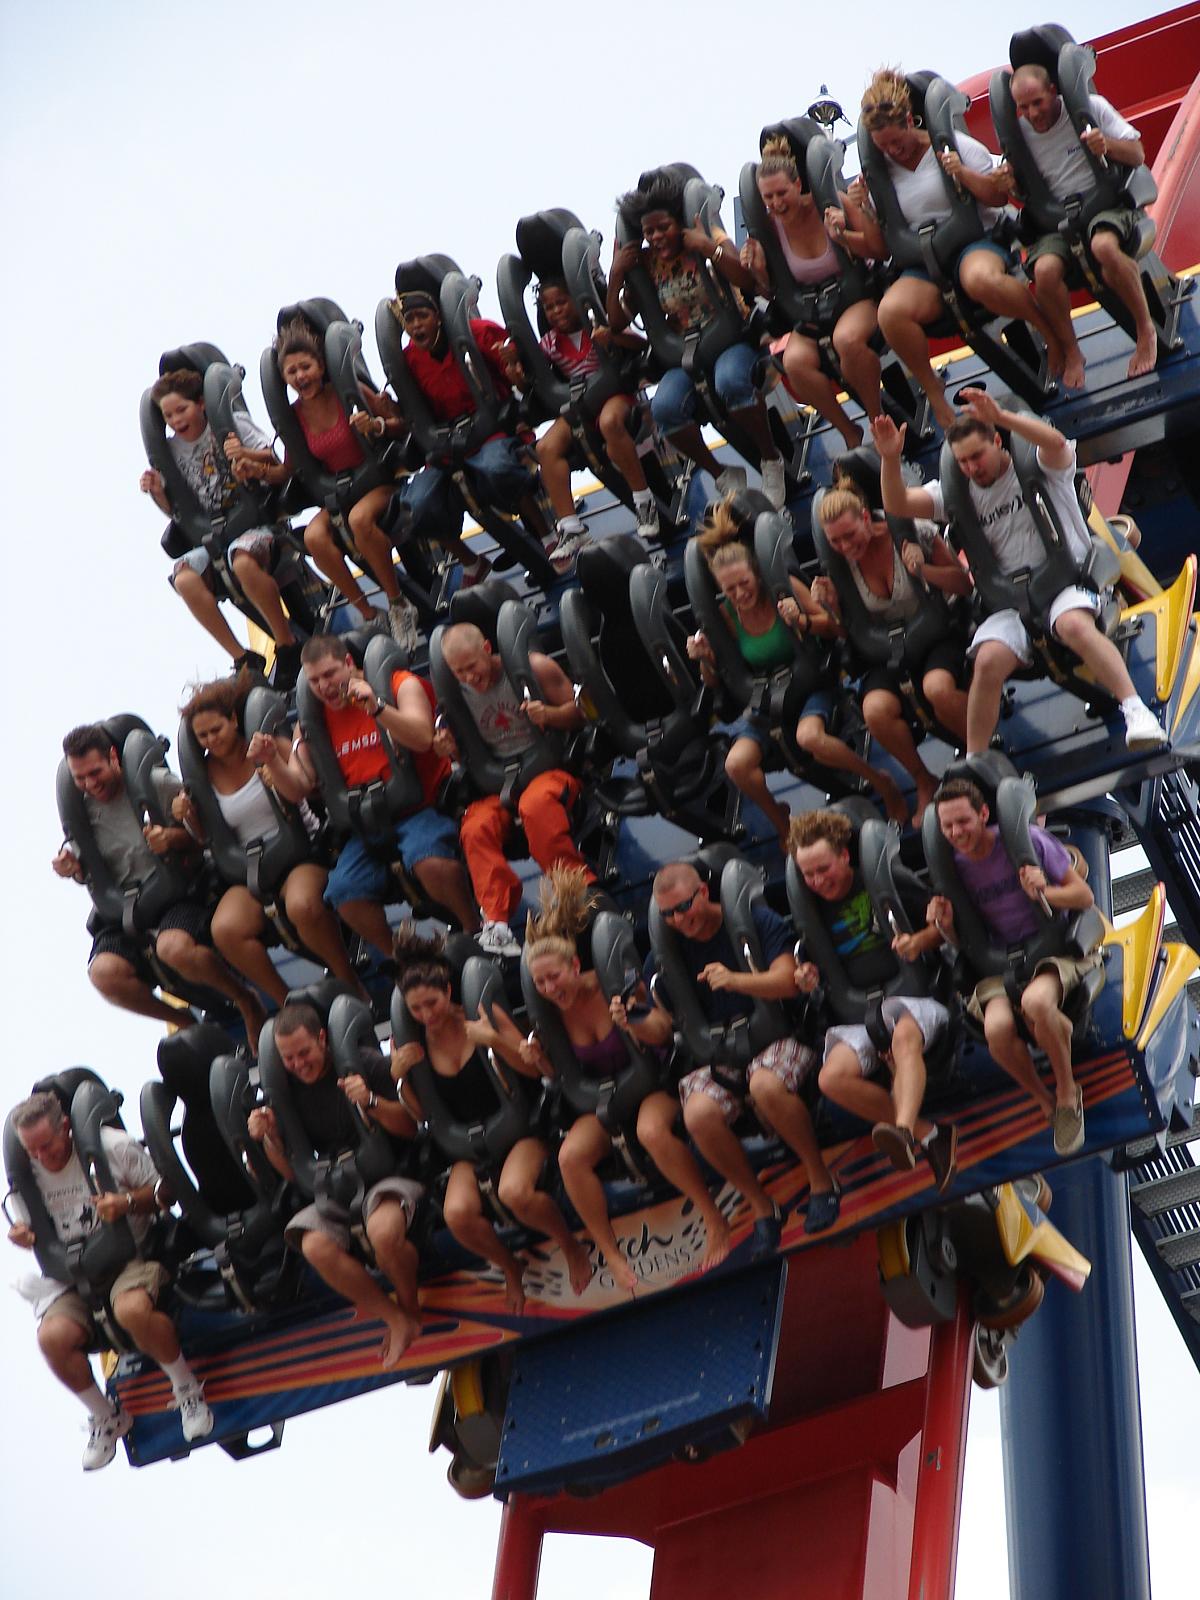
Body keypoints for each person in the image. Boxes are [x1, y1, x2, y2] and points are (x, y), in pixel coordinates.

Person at [872, 391, 1167, 753]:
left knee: (1072, 625)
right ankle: (978, 756)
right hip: (1010, 601)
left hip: (1068, 583)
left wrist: (1004, 417)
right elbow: (897, 503)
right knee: (987, 660)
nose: (971, 468)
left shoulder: (1040, 465)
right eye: (963, 462)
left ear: (997, 442)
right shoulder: (956, 490)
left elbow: (1057, 443)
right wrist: (889, 458)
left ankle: (1135, 710)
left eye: (977, 456)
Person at [522, 866, 733, 1290]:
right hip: (603, 1097)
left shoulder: (609, 983)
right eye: (540, 982)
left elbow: (662, 1031)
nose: (549, 987)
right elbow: (557, 1076)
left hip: (652, 1082)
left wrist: (632, 1020)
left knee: (651, 1130)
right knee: (569, 1157)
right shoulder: (550, 1012)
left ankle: (713, 1218)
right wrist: (536, 1060)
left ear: (575, 964)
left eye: (554, 976)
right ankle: (611, 1254)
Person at [617, 860, 841, 1243]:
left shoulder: (755, 920)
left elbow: (789, 980)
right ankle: (761, 1204)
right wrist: (634, 1018)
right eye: (669, 914)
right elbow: (664, 1028)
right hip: (720, 1054)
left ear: (702, 892)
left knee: (765, 1085)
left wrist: (736, 980)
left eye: (684, 906)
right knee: (698, 1115)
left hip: (779, 1034)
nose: (678, 919)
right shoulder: (664, 958)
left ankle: (821, 1181)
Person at [6, 1089, 213, 1470]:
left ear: (65, 1128)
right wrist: (22, 1237)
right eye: (31, 1151)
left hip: (130, 1257)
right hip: (73, 1274)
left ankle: (186, 1389)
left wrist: (128, 1203)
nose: (41, 1157)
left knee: (132, 1310)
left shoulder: (111, 1147)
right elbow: (30, 1229)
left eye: (47, 1146)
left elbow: (166, 1191)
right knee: (51, 1338)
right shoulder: (27, 1175)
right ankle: (107, 1416)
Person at [850, 69, 1067, 429]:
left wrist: (962, 174)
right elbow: (879, 245)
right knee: (890, 313)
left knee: (980, 279)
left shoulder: (956, 146)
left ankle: (1049, 332)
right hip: (922, 266)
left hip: (973, 243)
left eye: (896, 141)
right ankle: (934, 390)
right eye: (883, 145)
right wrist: (860, 209)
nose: (893, 151)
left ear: (910, 119)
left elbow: (1000, 196)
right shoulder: (879, 174)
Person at [390, 927, 593, 1310]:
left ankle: (569, 1244)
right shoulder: (413, 1040)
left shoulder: (480, 1013)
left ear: (448, 992)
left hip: (520, 1129)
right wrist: (399, 1076)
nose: (426, 1015)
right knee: (456, 1214)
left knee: (514, 1192)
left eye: (431, 1004)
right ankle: (508, 1267)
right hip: (466, 1144)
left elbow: (535, 1072)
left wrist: (495, 1040)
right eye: (416, 1009)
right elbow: (421, 1116)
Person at [686, 500, 907, 843]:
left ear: (756, 573)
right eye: (730, 589)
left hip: (808, 685)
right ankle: (782, 824)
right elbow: (716, 679)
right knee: (736, 765)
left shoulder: (783, 586)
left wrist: (800, 619)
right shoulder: (727, 614)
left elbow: (835, 628)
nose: (740, 594)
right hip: (764, 696)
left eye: (744, 583)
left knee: (809, 737)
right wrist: (703, 659)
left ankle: (882, 782)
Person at [266, 635, 478, 955]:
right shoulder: (311, 722)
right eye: (314, 680)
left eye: (330, 674)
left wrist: (377, 709)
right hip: (365, 824)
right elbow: (299, 786)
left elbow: (423, 737)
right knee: (343, 891)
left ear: (350, 664)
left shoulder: (398, 684)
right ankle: (402, 957)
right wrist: (271, 761)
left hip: (421, 807)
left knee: (430, 861)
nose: (323, 686)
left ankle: (473, 930)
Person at [54, 724, 267, 1040]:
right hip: (126, 907)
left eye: (95, 772)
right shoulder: (83, 812)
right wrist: (74, 870)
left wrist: (173, 837)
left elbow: (209, 838)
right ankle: (184, 1022)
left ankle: (245, 1000)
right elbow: (92, 871)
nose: (90, 784)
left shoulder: (156, 785)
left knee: (174, 948)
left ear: (113, 757)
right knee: (103, 974)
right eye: (80, 778)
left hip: (177, 891)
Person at [171, 673, 364, 1008]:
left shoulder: (268, 744)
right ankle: (286, 1004)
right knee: (226, 929)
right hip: (249, 867)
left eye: (216, 730)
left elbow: (304, 788)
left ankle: (349, 981)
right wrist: (187, 816)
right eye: (202, 736)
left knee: (302, 906)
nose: (210, 741)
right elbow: (207, 839)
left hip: (300, 852)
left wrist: (273, 765)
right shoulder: (203, 775)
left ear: (233, 720)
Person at [247, 1002, 425, 1367]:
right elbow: (291, 1172)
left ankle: (409, 1308)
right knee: (312, 1245)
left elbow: (411, 1126)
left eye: (304, 1053)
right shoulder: (286, 1093)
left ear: (322, 1039)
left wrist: (371, 1101)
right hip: (334, 1189)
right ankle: (393, 1319)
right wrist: (269, 1139)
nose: (298, 1064)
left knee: (383, 1233)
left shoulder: (363, 1063)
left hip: (386, 1175)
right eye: (288, 1058)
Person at [928, 778, 1096, 1155]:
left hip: (1053, 952)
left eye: (963, 822)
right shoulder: (953, 870)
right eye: (948, 826)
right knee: (997, 1029)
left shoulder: (1030, 843)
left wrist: (1044, 890)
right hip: (998, 963)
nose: (956, 833)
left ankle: (1067, 1091)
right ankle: (1042, 1097)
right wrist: (944, 924)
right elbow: (962, 942)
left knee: (1037, 1004)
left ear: (984, 814)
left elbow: (1083, 896)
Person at [790, 810, 957, 1187]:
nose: (817, 881)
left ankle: (900, 1128)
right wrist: (805, 976)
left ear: (844, 856)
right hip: (860, 1009)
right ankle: (927, 1133)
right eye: (808, 875)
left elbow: (942, 925)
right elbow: (808, 961)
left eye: (824, 869)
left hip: (917, 996)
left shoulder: (885, 879)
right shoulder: (811, 907)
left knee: (902, 1037)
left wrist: (919, 941)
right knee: (831, 1079)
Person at [232, 317, 421, 650]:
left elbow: (400, 425)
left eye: (305, 367)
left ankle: (398, 604)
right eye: (292, 372)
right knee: (314, 536)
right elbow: (288, 471)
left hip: (379, 480)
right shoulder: (296, 417)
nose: (300, 376)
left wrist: (374, 425)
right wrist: (257, 471)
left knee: (359, 520)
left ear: (321, 365)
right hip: (339, 492)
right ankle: (368, 613)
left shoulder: (348, 392)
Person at [608, 167, 787, 508]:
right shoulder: (647, 265)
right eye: (650, 232)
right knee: (665, 409)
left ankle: (770, 459)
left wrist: (708, 248)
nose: (657, 237)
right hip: (683, 350)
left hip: (730, 340)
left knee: (731, 381)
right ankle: (721, 474)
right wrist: (617, 275)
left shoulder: (707, 238)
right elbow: (617, 323)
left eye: (664, 228)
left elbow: (746, 281)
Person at [435, 621, 595, 959]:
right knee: (475, 827)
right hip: (497, 782)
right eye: (459, 672)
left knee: (536, 807)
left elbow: (584, 714)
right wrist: (449, 748)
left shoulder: (534, 668)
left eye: (473, 667)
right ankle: (496, 922)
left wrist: (549, 715)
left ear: (487, 650)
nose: (469, 678)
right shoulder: (455, 696)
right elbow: (464, 754)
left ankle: (579, 892)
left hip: (547, 769)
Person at [386, 287, 571, 577]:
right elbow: (411, 413)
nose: (417, 325)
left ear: (438, 315)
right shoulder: (409, 360)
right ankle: (472, 563)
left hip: (492, 430)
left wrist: (514, 368)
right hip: (447, 445)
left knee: (496, 468)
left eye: (423, 316)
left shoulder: (479, 333)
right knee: (415, 505)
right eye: (410, 320)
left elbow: (520, 378)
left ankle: (547, 536)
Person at [814, 482, 970, 819]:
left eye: (850, 535)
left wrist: (921, 570)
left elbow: (963, 584)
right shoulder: (840, 567)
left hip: (936, 635)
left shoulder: (917, 533)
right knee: (874, 711)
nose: (845, 546)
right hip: (888, 649)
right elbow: (846, 631)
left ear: (867, 519)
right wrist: (830, 607)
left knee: (937, 689)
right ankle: (922, 778)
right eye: (835, 541)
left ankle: (978, 753)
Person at [140, 368, 301, 685]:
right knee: (183, 577)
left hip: (255, 524)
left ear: (200, 403)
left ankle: (286, 645)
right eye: (168, 415)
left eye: (181, 410)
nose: (175, 420)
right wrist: (157, 492)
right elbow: (177, 511)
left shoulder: (230, 423)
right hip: (213, 532)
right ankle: (243, 657)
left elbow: (272, 458)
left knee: (242, 560)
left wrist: (244, 455)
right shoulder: (171, 452)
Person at [1006, 61, 1157, 382]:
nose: (1033, 114)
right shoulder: (1019, 135)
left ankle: (1145, 328)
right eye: (1023, 108)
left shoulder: (1091, 107)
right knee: (1044, 271)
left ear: (1052, 91)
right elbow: (1022, 192)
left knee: (1103, 246)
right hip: (1057, 219)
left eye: (1038, 103)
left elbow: (1138, 154)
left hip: (1105, 204)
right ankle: (1072, 348)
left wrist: (1109, 145)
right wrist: (1009, 184)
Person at [741, 134, 881, 447]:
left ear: (797, 185)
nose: (776, 203)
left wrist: (844, 234)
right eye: (768, 197)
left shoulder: (830, 203)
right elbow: (769, 290)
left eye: (781, 193)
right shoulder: (770, 229)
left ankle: (876, 420)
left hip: (854, 299)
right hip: (811, 310)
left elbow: (877, 248)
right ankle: (850, 434)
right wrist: (757, 270)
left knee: (847, 341)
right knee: (794, 363)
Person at [504, 278, 660, 543]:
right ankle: (570, 527)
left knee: (609, 422)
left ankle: (644, 501)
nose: (555, 311)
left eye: (561, 303)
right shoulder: (550, 344)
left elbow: (641, 344)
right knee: (545, 448)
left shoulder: (595, 326)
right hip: (580, 406)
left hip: (614, 396)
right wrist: (514, 371)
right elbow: (531, 382)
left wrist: (612, 337)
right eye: (548, 307)